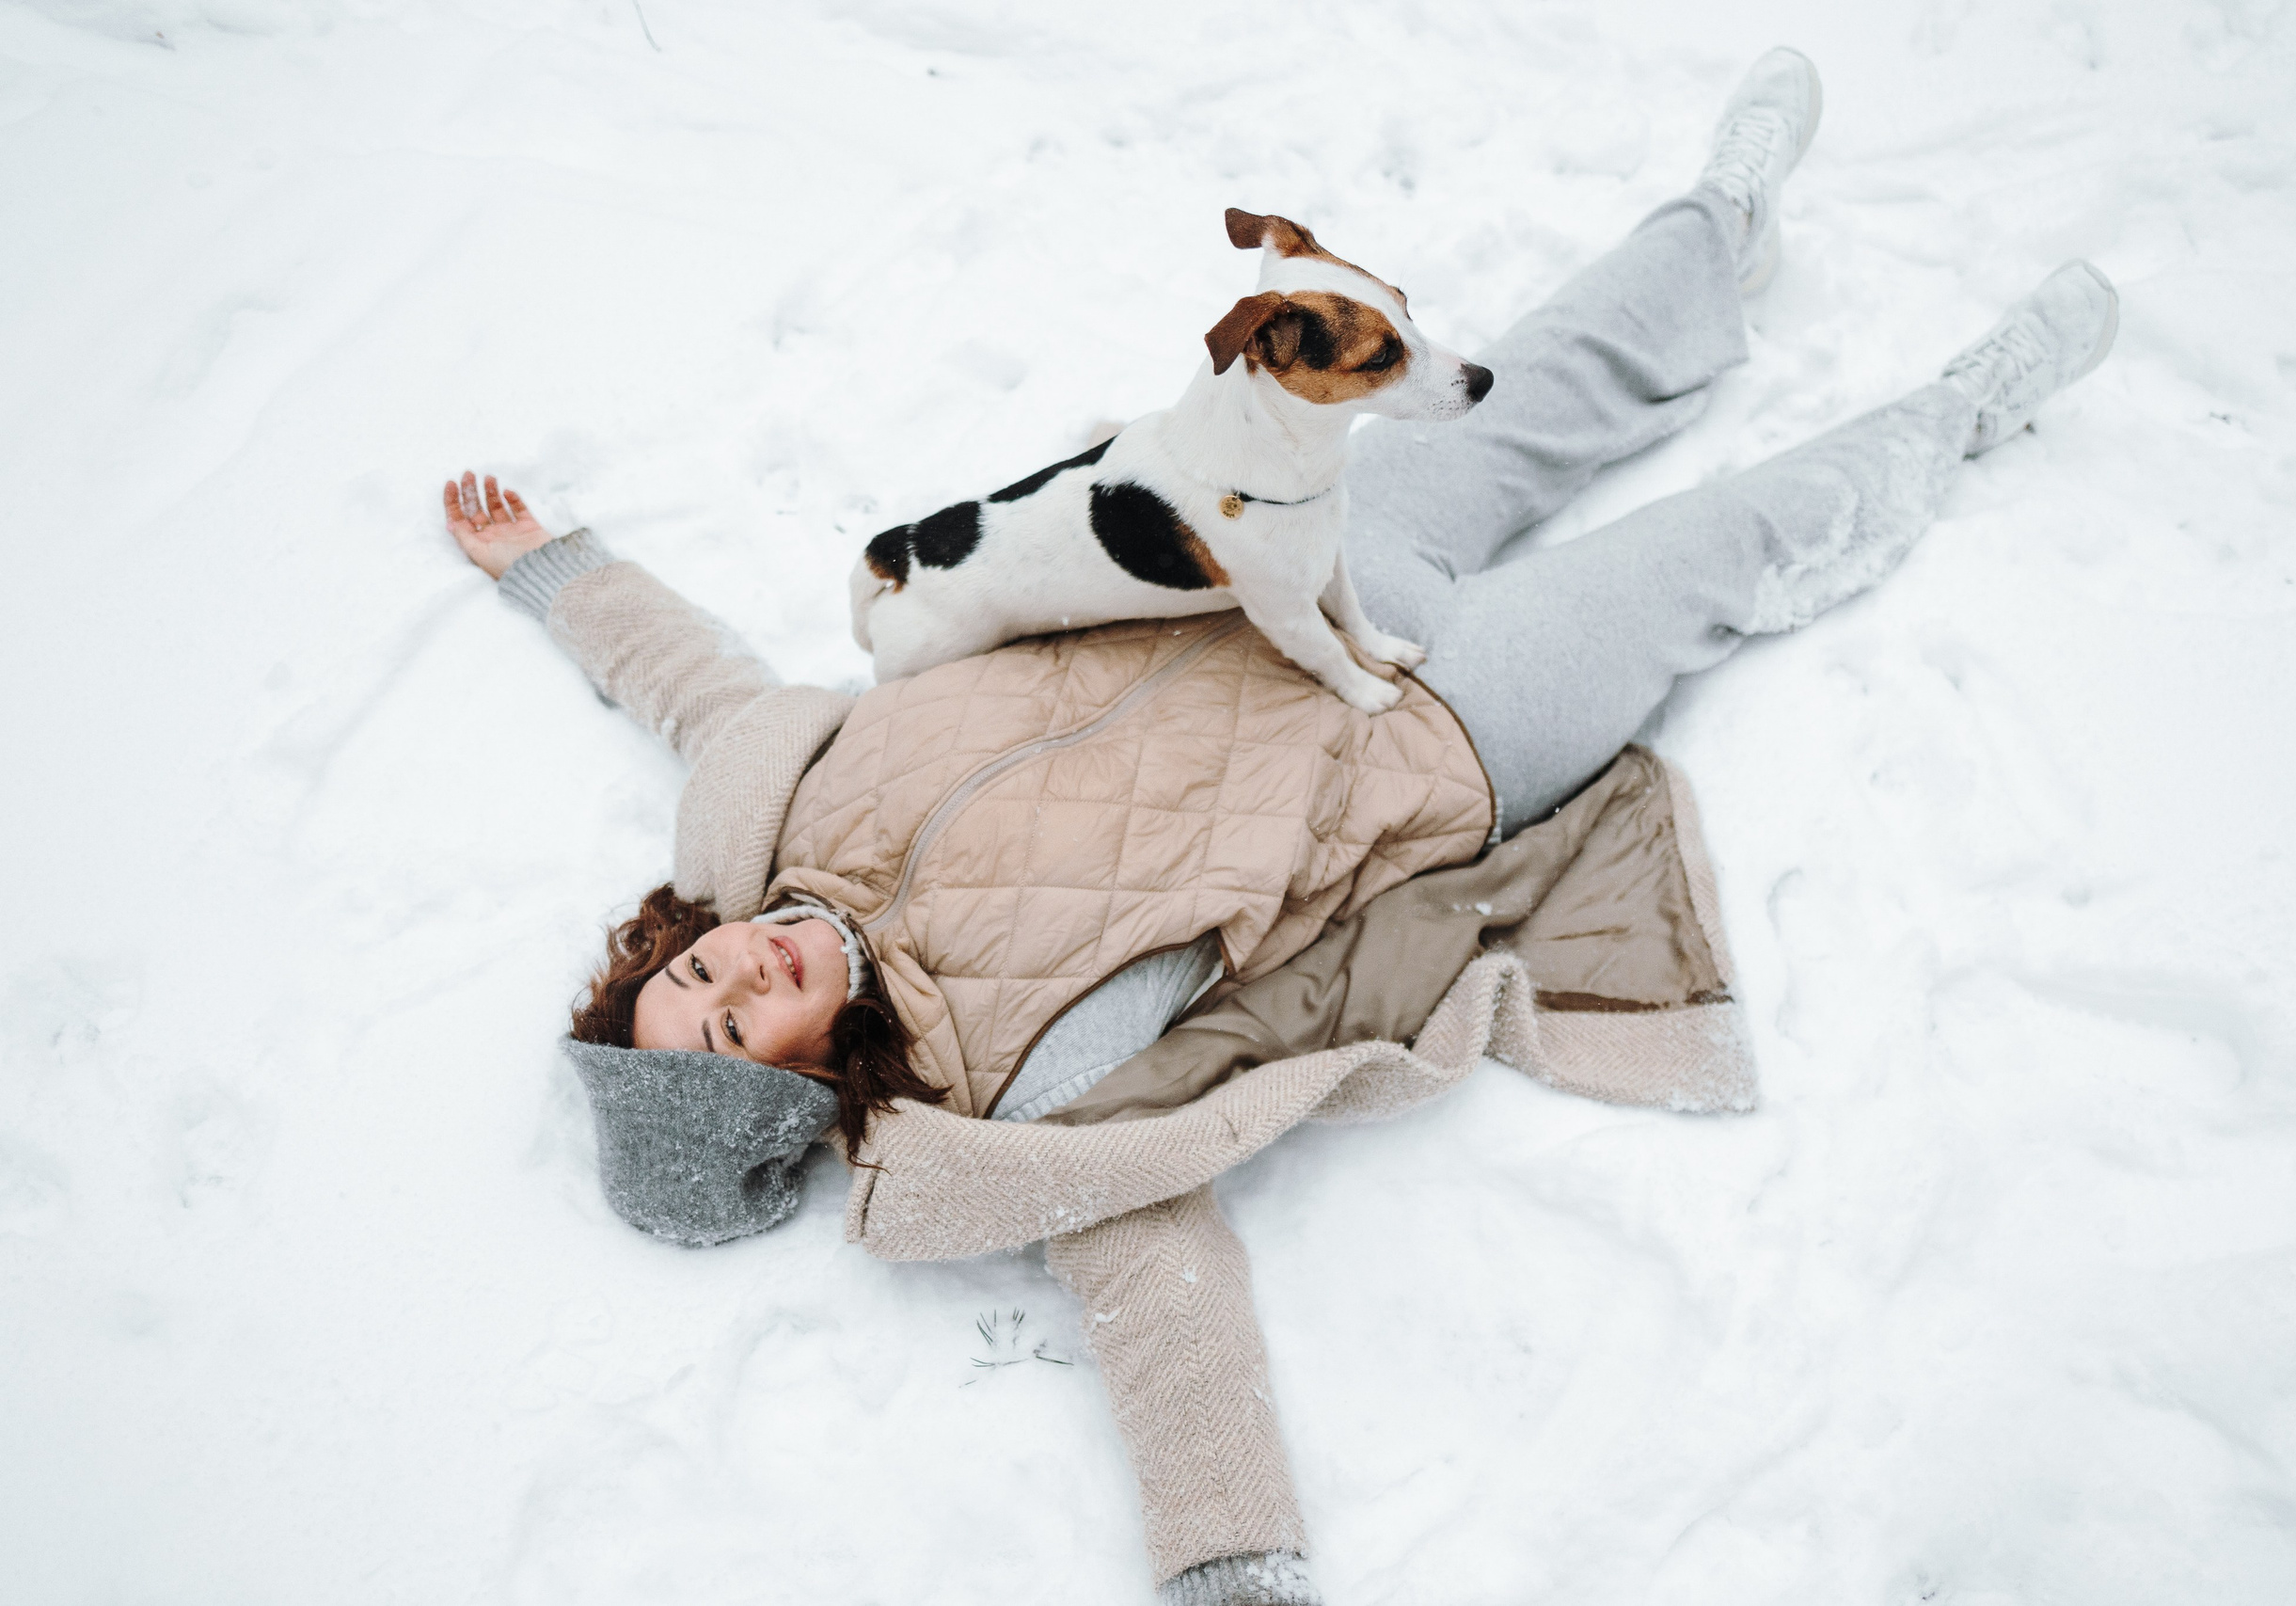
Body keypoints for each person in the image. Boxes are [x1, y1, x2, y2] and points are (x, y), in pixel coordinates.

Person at [447, 49, 2115, 1606]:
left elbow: (682, 679)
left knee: (1543, 380)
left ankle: (1718, 226)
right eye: (743, 1023)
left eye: (698, 974)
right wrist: (1228, 1559)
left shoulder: (780, 799)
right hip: (1446, 738)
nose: (741, 965)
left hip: (1285, 583)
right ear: (804, 1078)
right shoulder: (1024, 1081)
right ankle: (1959, 410)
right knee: (1726, 550)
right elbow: (1155, 1280)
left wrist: (552, 565)